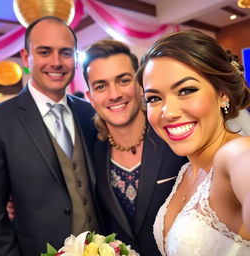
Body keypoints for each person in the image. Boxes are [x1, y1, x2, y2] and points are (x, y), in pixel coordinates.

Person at [137, 30, 250, 255]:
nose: (168, 113)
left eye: (186, 90)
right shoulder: (185, 172)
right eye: (154, 98)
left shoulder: (237, 154)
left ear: (222, 94)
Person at [0, 16, 99, 256]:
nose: (56, 62)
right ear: (25, 57)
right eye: (44, 52)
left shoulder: (89, 113)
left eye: (65, 52)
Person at [82, 39, 188, 255]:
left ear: (140, 85)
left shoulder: (173, 135)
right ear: (90, 97)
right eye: (100, 86)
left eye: (123, 80)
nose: (114, 94)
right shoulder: (93, 151)